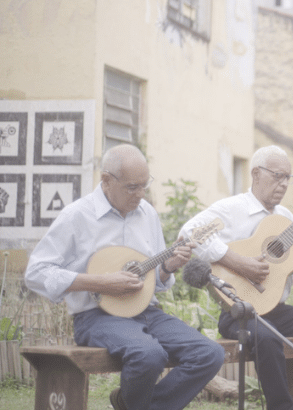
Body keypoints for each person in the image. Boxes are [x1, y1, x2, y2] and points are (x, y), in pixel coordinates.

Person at [24, 144, 225, 410]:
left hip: (146, 312)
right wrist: (100, 283)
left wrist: (168, 267)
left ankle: (128, 404)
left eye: (144, 186)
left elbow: (156, 280)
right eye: (132, 187)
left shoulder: (147, 214)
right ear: (106, 180)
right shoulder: (76, 216)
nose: (140, 195)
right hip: (96, 317)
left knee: (210, 353)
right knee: (149, 355)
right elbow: (36, 273)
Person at [179, 145, 293, 410]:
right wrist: (239, 263)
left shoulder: (285, 218)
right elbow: (190, 231)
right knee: (267, 339)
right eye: (278, 176)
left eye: (288, 177)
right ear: (256, 174)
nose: (284, 183)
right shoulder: (232, 208)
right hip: (238, 310)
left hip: (276, 310)